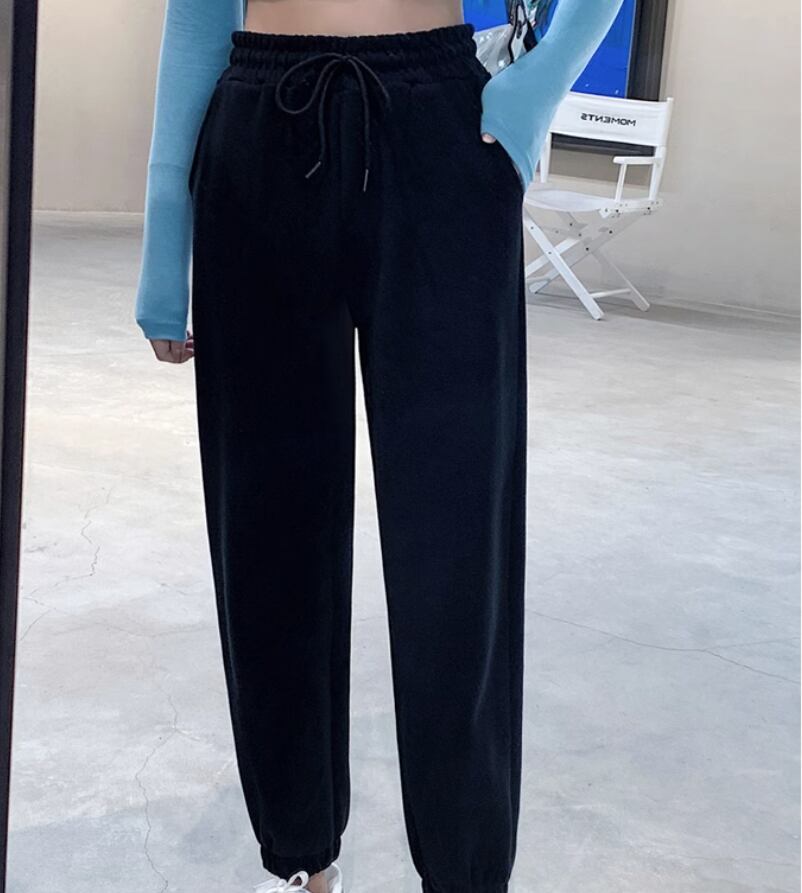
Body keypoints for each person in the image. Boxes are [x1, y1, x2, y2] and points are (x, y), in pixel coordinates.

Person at [134, 1, 624, 891]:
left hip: (441, 134)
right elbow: (199, 12)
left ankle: (465, 871)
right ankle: (300, 855)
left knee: (456, 539)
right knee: (267, 532)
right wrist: (167, 215)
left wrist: (542, 84)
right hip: (258, 135)